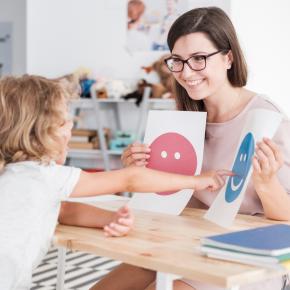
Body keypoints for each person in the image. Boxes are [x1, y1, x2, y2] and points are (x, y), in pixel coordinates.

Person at [92, 6, 290, 290]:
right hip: (195, 240)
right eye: (178, 61)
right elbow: (183, 202)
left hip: (254, 255)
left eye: (199, 59)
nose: (186, 72)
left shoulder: (269, 121)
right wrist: (142, 173)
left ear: (228, 58)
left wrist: (266, 182)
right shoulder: (185, 119)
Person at [0, 74, 231, 290]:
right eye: (64, 121)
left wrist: (110, 218)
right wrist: (196, 181)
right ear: (42, 133)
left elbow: (63, 210)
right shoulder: (42, 176)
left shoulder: (14, 176)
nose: (71, 126)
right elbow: (131, 179)